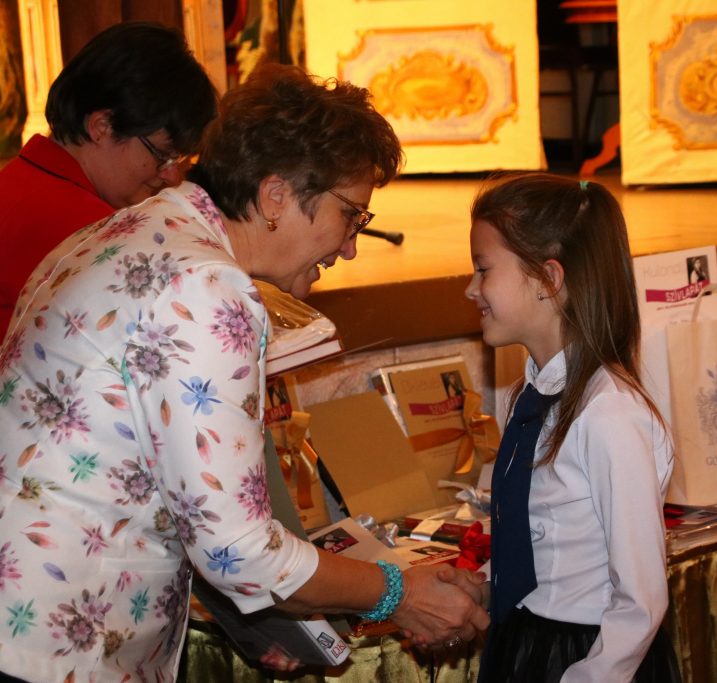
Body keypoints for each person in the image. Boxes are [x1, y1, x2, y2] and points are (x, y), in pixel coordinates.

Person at [0, 63, 487, 683]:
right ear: (276, 195)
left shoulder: (126, 229)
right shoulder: (207, 287)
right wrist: (399, 592)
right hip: (55, 641)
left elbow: (186, 502)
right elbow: (237, 549)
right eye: (351, 216)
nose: (349, 247)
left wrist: (263, 622)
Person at [465, 173, 679, 682]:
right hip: (525, 636)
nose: (470, 289)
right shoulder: (530, 396)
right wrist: (487, 583)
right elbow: (544, 536)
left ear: (547, 279)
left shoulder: (609, 415)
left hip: (588, 654)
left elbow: (642, 597)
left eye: (482, 269)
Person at [0, 21, 219, 335]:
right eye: (162, 155)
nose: (172, 175)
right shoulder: (85, 230)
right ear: (102, 126)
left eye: (179, 160)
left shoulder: (20, 180)